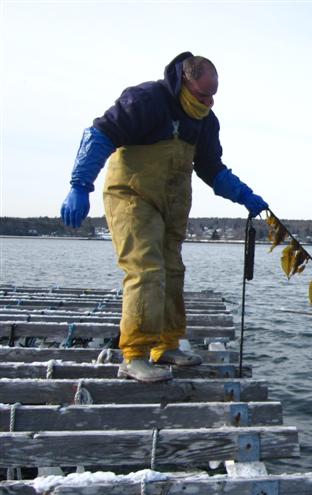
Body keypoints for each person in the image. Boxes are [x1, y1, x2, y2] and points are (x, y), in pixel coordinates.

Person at [60, 52, 267, 383]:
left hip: (172, 205)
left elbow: (212, 168)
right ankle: (135, 356)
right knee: (146, 269)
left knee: (172, 272)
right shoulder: (146, 100)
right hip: (132, 198)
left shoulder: (205, 121)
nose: (209, 101)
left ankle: (166, 346)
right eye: (203, 94)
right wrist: (80, 184)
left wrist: (244, 195)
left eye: (213, 95)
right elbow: (99, 134)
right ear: (184, 81)